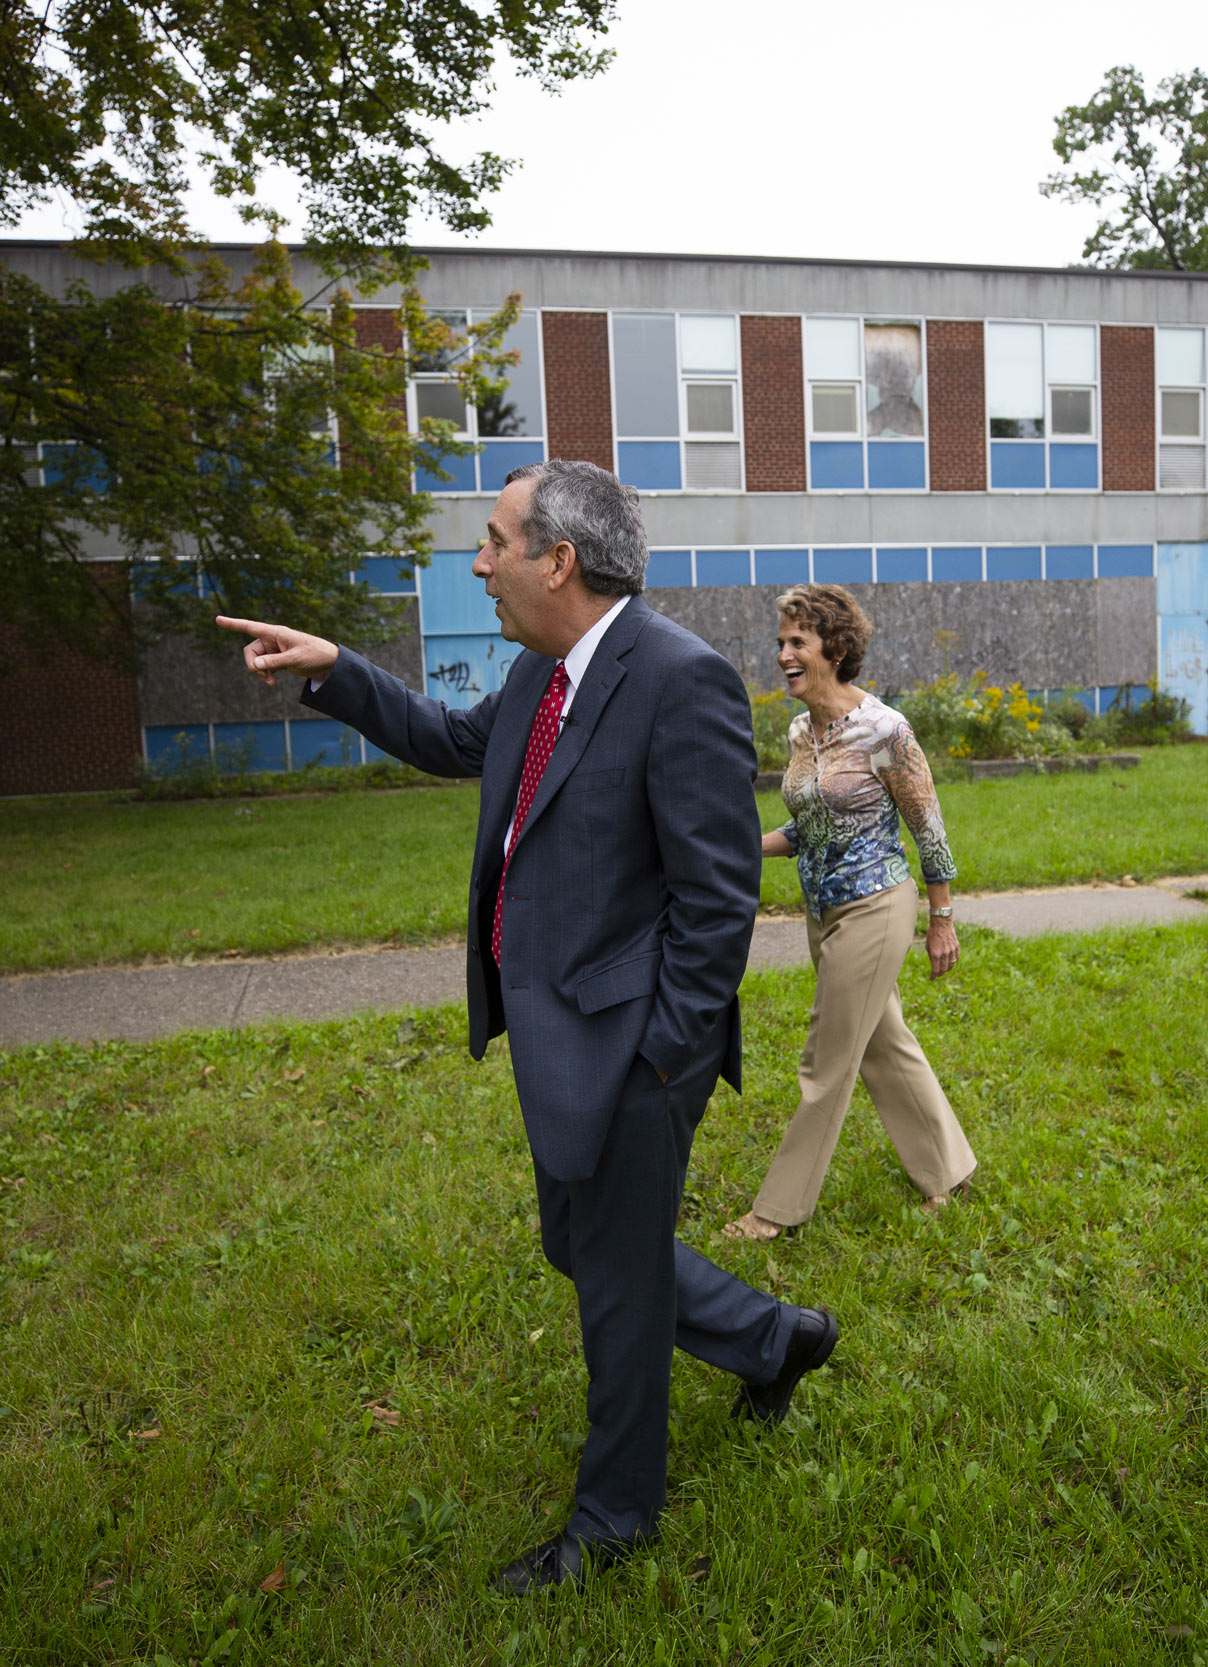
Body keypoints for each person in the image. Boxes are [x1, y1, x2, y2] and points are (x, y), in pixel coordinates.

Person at [215, 459, 836, 1596]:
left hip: (633, 1047)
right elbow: (458, 741)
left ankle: (612, 1520)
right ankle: (774, 1337)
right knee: (585, 1247)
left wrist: (661, 1056)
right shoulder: (542, 674)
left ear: (559, 559)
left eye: (495, 540)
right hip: (559, 1031)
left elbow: (716, 896)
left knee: (610, 1277)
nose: (479, 560)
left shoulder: (678, 680)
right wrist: (336, 671)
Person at [722, 584, 976, 1243]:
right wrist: (741, 851)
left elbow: (928, 827)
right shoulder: (801, 731)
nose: (782, 654)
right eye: (780, 642)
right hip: (825, 911)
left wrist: (942, 917)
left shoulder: (885, 730)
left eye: (796, 642)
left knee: (825, 1058)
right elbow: (808, 826)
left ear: (834, 649)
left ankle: (776, 1210)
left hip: (878, 906)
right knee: (883, 1043)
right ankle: (950, 1170)